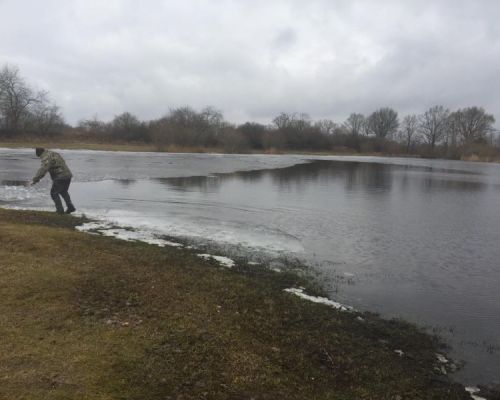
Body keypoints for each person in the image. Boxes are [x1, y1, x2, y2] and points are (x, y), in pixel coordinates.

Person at [31, 147, 76, 214]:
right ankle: (70, 207)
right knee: (63, 191)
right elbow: (62, 162)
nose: (39, 157)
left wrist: (35, 179)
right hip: (67, 175)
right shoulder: (53, 153)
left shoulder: (46, 157)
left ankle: (60, 211)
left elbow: (43, 169)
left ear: (39, 152)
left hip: (60, 176)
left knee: (54, 193)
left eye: (38, 154)